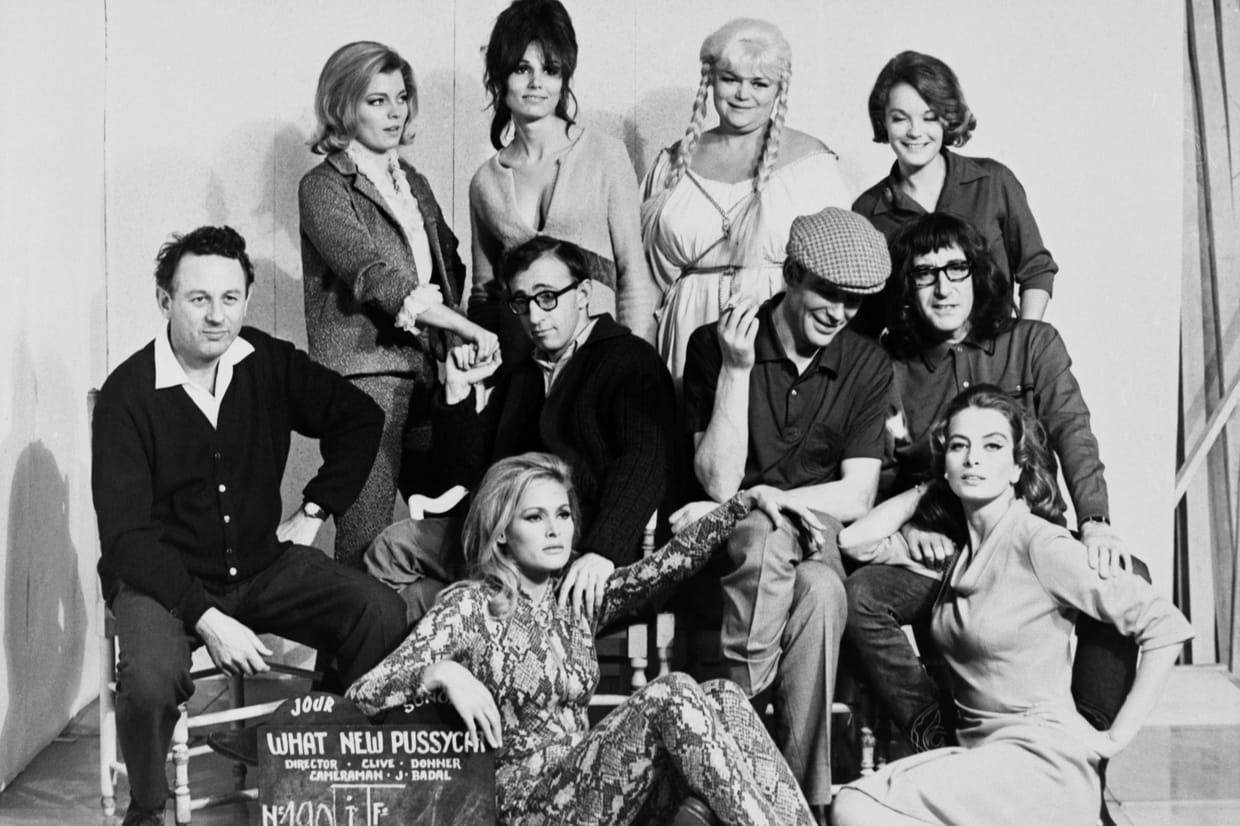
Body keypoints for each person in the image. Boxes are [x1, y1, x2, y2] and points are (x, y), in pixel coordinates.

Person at [91, 226, 408, 826]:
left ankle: (306, 746)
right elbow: (127, 539)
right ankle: (147, 810)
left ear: (246, 299)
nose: (217, 316)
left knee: (379, 612)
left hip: (263, 565)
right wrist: (207, 620)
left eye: (230, 298)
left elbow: (360, 417)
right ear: (164, 301)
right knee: (151, 679)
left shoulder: (266, 360)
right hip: (163, 582)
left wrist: (313, 511)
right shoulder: (126, 396)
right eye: (198, 299)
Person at [347, 452, 817, 826]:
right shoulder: (471, 606)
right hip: (527, 803)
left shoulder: (574, 598)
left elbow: (666, 566)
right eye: (534, 518)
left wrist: (745, 501)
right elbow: (361, 696)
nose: (555, 530)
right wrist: (443, 672)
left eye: (562, 514)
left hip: (594, 784)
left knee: (725, 698)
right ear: (502, 533)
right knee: (671, 692)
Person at [842, 213, 1136, 772]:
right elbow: (879, 472)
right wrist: (912, 527)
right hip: (946, 556)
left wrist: (1095, 522)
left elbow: (1073, 432)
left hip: (1028, 546)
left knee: (1126, 577)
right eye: (925, 273)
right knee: (861, 598)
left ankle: (1078, 753)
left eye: (956, 268)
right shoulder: (888, 367)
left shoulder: (1033, 343)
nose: (943, 286)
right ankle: (943, 746)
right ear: (906, 288)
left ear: (978, 275)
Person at [831, 386, 1191, 826]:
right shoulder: (956, 554)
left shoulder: (1039, 544)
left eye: (992, 446)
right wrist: (928, 489)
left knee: (856, 808)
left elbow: (1165, 625)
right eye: (959, 447)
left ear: (1018, 467)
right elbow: (854, 541)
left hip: (1041, 762)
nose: (973, 459)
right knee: (855, 804)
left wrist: (1111, 739)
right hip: (981, 757)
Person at [679, 206, 894, 816]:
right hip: (735, 552)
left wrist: (767, 497)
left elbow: (855, 496)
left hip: (813, 535)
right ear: (792, 274)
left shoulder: (867, 363)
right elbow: (719, 481)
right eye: (829, 293)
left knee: (808, 568)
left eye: (854, 301)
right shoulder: (717, 344)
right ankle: (795, 800)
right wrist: (738, 370)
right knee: (801, 571)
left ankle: (746, 774)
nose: (840, 312)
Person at [364, 236, 677, 625]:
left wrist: (604, 550)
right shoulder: (524, 374)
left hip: (572, 545)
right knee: (398, 562)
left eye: (547, 297)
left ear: (583, 294)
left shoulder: (629, 360)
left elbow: (645, 463)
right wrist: (457, 392)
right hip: (500, 540)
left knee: (418, 590)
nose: (534, 316)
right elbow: (466, 476)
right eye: (522, 302)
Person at [299, 40, 497, 567]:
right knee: (364, 533)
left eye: (401, 98)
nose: (395, 112)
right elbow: (373, 277)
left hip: (428, 372)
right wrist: (464, 327)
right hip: (367, 380)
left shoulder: (413, 183)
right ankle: (353, 626)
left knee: (457, 520)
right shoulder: (323, 187)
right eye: (377, 100)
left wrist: (457, 341)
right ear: (343, 105)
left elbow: (449, 269)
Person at [641, 17, 850, 385]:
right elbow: (644, 275)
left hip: (776, 335)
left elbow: (839, 276)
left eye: (759, 83)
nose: (742, 94)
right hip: (684, 333)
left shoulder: (813, 166)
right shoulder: (672, 163)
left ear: (779, 89)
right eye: (730, 79)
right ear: (710, 80)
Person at [469, 0, 658, 360]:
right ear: (499, 75)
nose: (536, 83)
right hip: (520, 367)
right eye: (522, 68)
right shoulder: (485, 182)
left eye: (550, 69)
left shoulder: (606, 155)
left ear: (564, 76)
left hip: (598, 361)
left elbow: (632, 274)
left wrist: (634, 363)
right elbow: (485, 295)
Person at [850, 50, 1057, 337]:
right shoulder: (867, 210)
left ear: (947, 119)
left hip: (996, 352)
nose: (915, 131)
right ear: (882, 121)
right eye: (900, 119)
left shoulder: (993, 182)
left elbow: (1036, 269)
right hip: (915, 361)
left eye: (929, 118)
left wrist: (1023, 345)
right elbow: (867, 316)